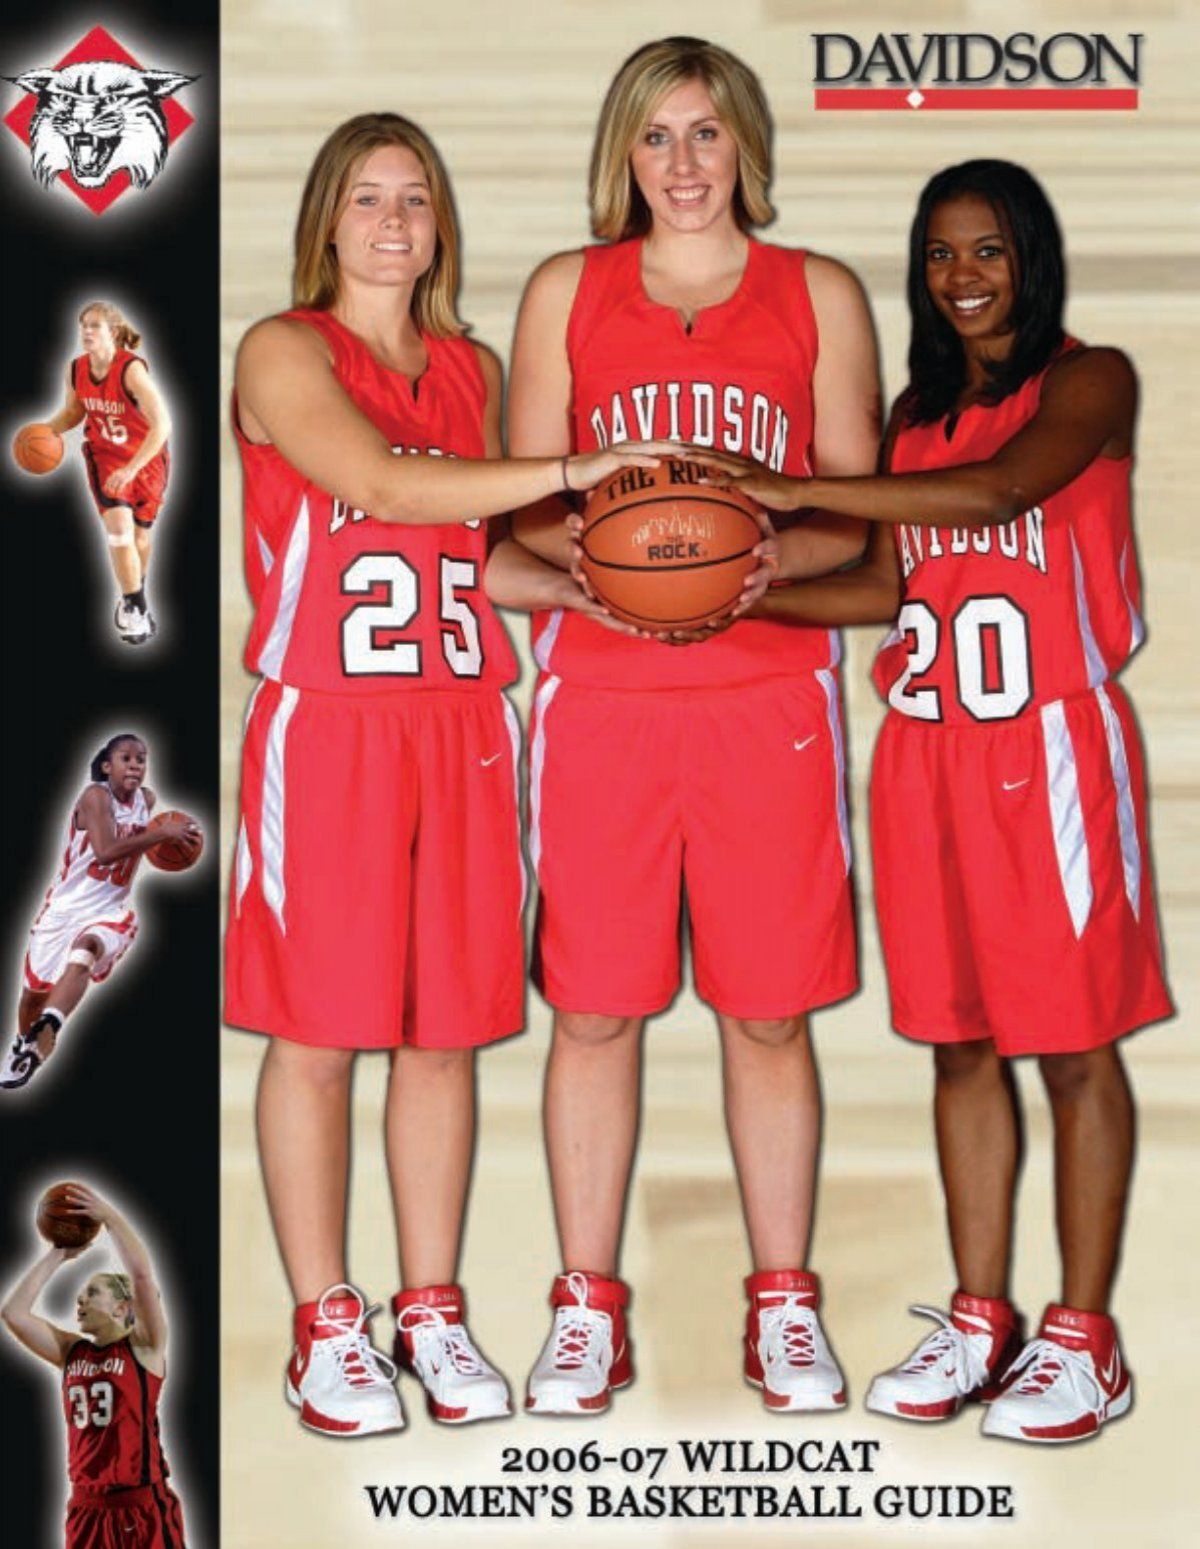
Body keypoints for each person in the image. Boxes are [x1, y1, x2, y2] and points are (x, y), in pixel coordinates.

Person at [695, 159, 1173, 1443]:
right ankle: (982, 1313)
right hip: (925, 753)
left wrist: (799, 491)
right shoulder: (913, 412)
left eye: (988, 252)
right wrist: (728, 597)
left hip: (1053, 750)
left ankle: (1086, 1336)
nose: (962, 278)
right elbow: (889, 590)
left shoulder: (1091, 381)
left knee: (1073, 1047)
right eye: (941, 255)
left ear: (1032, 256)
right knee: (958, 1042)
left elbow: (1002, 494)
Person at [223, 110, 664, 1437]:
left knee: (445, 1031)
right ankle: (325, 1326)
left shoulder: (470, 369)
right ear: (327, 219)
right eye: (368, 199)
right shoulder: (282, 351)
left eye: (416, 199)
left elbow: (470, 558)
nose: (394, 221)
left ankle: (431, 1309)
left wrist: (613, 588)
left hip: (465, 724)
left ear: (439, 225)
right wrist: (583, 468)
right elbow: (377, 485)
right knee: (318, 1036)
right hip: (336, 728)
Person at [486, 36, 881, 1414]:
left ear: (746, 144)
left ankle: (784, 1306)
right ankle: (587, 1307)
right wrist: (604, 566)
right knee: (593, 1013)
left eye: (707, 133)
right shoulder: (566, 292)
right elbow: (527, 503)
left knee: (769, 1020)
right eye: (658, 137)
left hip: (770, 697)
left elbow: (857, 513)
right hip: (601, 695)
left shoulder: (818, 291)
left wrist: (774, 564)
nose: (685, 163)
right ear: (624, 155)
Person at [1, 733, 200, 1091]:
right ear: (107, 767)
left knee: (86, 951)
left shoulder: (147, 800)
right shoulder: (95, 796)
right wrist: (160, 836)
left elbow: (146, 846)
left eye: (142, 758)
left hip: (109, 909)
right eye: (126, 757)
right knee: (33, 992)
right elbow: (107, 851)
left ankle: (50, 1024)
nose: (136, 764)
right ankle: (23, 1043)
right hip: (63, 908)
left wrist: (176, 839)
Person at [1, 1183, 188, 1547]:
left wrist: (110, 1217)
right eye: (80, 1295)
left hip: (141, 1507)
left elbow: (143, 1277)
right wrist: (59, 1254)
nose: (80, 1301)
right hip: (86, 1509)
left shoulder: (145, 1348)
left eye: (92, 1294)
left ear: (122, 1307)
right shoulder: (71, 1352)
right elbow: (13, 1313)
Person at [32, 302, 172, 644]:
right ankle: (135, 607)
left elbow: (163, 424)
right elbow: (74, 412)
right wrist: (45, 431)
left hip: (145, 458)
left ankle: (136, 591)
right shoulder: (76, 369)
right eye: (83, 325)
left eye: (94, 325)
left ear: (113, 332)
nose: (86, 331)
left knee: (140, 538)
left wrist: (133, 468)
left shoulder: (131, 371)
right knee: (120, 532)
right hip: (105, 457)